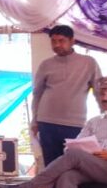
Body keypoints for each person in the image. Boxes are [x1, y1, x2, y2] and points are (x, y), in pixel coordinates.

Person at [31, 25, 101, 168]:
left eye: (61, 41)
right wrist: (34, 120)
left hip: (74, 123)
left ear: (72, 41)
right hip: (46, 122)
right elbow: (37, 93)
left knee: (72, 165)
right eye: (53, 41)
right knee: (51, 166)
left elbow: (99, 91)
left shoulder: (88, 62)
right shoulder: (46, 64)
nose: (57, 45)